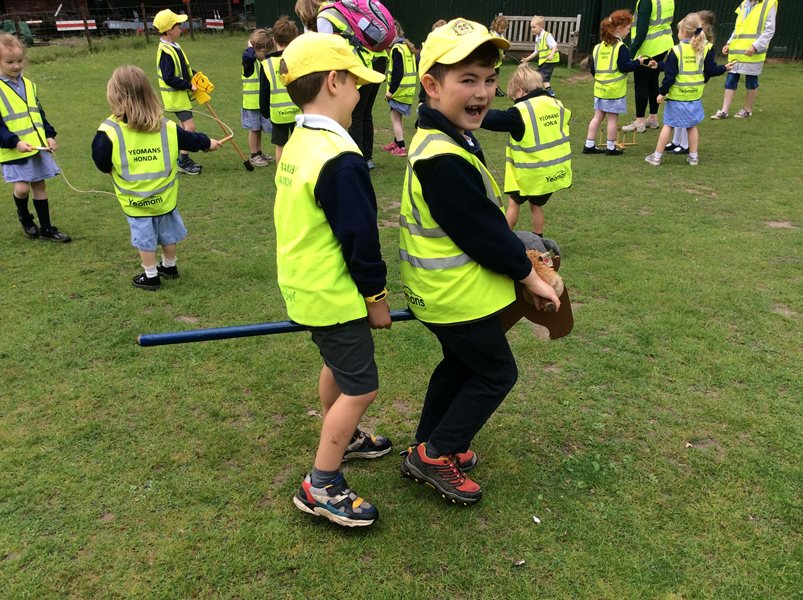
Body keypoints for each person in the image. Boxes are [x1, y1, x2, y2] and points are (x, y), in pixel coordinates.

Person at [398, 19, 561, 506]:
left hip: (444, 294)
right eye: (467, 79)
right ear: (432, 85)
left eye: (490, 79)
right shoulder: (441, 157)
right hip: (454, 298)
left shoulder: (448, 135)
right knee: (495, 374)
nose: (483, 92)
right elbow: (484, 233)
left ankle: (429, 442)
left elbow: (481, 224)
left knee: (458, 366)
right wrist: (532, 276)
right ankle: (435, 454)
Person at [275, 32, 393, 527]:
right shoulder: (340, 157)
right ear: (333, 81)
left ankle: (347, 439)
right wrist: (377, 298)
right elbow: (360, 238)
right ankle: (321, 484)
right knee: (362, 388)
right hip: (333, 291)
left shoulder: (299, 139)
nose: (360, 92)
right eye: (355, 83)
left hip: (306, 286)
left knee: (339, 368)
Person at [92, 66, 221, 290]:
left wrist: (206, 143)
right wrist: (208, 142)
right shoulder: (166, 126)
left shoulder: (108, 131)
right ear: (148, 93)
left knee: (145, 238)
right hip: (164, 198)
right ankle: (169, 266)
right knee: (167, 234)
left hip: (136, 202)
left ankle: (151, 275)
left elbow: (101, 163)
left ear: (114, 95)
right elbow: (191, 140)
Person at [482, 63, 572, 235]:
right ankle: (539, 238)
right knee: (536, 205)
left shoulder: (521, 112)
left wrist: (471, 111)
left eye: (514, 97)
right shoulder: (556, 104)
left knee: (514, 203)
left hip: (530, 175)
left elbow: (494, 119)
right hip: (553, 172)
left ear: (520, 91)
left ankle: (505, 237)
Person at [0, 32, 70, 242]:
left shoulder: (29, 85)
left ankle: (47, 229)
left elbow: (39, 114)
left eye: (19, 60)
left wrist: (49, 135)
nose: (16, 66)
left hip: (37, 147)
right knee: (22, 189)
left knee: (40, 186)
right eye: (10, 62)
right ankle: (25, 217)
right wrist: (15, 142)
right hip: (14, 150)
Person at [644, 14, 733, 167]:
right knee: (691, 126)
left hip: (677, 96)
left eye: (678, 31)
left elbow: (670, 76)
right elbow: (711, 70)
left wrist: (661, 92)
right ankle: (693, 157)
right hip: (694, 96)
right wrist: (724, 68)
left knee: (668, 125)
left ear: (684, 32)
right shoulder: (703, 49)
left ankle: (656, 157)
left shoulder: (676, 50)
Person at [317, 3, 387, 169]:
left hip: (363, 62)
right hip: (379, 59)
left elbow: (326, 47)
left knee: (356, 114)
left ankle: (358, 160)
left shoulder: (326, 15)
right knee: (366, 112)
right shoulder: (351, 7)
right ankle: (367, 158)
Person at [583, 10, 646, 156]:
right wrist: (638, 62)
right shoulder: (620, 47)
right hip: (615, 91)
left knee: (597, 117)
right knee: (612, 119)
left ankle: (589, 144)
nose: (629, 31)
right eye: (628, 28)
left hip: (600, 89)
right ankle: (611, 147)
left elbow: (593, 69)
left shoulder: (598, 47)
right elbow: (625, 67)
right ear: (619, 28)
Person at [154, 9, 203, 175]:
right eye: (178, 26)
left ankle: (179, 157)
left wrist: (195, 75)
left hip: (180, 96)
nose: (181, 29)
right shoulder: (165, 52)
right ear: (170, 30)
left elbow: (182, 68)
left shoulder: (174, 46)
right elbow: (169, 77)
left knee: (183, 127)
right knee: (190, 127)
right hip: (175, 98)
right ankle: (183, 161)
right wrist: (188, 85)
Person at [711, 0, 778, 120]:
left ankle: (747, 110)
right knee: (731, 79)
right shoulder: (744, 4)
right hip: (737, 51)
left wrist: (755, 46)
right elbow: (738, 28)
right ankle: (724, 111)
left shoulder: (769, 4)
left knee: (751, 81)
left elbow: (769, 31)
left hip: (753, 53)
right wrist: (729, 42)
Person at [621, 0, 675, 133]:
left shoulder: (646, 1)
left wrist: (632, 51)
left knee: (641, 84)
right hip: (664, 44)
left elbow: (642, 29)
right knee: (653, 81)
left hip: (647, 47)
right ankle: (653, 118)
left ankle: (639, 121)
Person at [666, 10, 715, 154]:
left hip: (691, 85)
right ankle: (676, 142)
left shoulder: (705, 46)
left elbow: (709, 69)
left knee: (686, 117)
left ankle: (685, 145)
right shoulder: (688, 45)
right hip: (683, 84)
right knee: (679, 115)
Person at [260, 16, 300, 163]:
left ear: (274, 40)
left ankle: (281, 174)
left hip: (278, 114)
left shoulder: (267, 64)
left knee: (280, 146)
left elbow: (264, 92)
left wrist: (265, 111)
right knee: (300, 145)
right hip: (299, 112)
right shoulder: (299, 59)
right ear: (295, 39)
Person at [381, 21, 417, 157]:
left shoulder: (396, 49)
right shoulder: (406, 46)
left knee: (395, 119)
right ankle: (397, 142)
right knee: (398, 117)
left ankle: (401, 147)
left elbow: (398, 73)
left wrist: (391, 92)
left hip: (398, 91)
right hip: (407, 90)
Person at [241, 28, 274, 167]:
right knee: (254, 129)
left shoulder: (263, 61)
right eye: (263, 50)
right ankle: (254, 155)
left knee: (259, 129)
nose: (266, 53)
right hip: (252, 103)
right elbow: (248, 57)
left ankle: (259, 152)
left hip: (262, 102)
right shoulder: (249, 61)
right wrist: (250, 47)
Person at [520, 16, 558, 97]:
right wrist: (527, 59)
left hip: (550, 60)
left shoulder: (547, 35)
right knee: (538, 76)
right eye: (531, 27)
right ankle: (538, 92)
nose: (532, 29)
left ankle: (551, 93)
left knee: (544, 78)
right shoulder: (538, 38)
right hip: (543, 61)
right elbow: (536, 51)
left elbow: (554, 45)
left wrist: (551, 55)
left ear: (541, 27)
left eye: (534, 27)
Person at [490, 14, 508, 97]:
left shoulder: (501, 36)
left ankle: (496, 90)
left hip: (498, 61)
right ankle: (491, 89)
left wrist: (503, 54)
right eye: (502, 28)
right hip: (492, 60)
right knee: (490, 75)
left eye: (504, 28)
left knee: (496, 75)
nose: (503, 30)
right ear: (496, 26)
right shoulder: (492, 36)